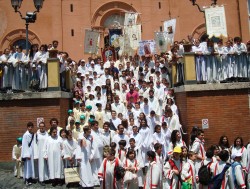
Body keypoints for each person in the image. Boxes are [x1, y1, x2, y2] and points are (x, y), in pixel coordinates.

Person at [21, 122, 35, 186]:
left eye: (31, 127)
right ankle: (27, 179)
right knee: (27, 166)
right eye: (29, 127)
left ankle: (30, 178)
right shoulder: (25, 135)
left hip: (32, 152)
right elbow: (25, 145)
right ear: (27, 127)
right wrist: (27, 155)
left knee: (31, 166)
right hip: (28, 153)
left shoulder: (32, 134)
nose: (30, 128)